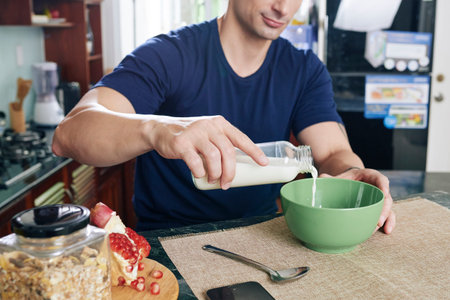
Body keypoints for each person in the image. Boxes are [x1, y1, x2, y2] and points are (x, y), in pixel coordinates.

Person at [52, 0, 395, 233]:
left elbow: (332, 153)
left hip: (261, 236)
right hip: (170, 239)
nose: (284, 7)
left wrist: (353, 173)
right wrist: (159, 130)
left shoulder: (303, 70)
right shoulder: (169, 55)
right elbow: (68, 134)